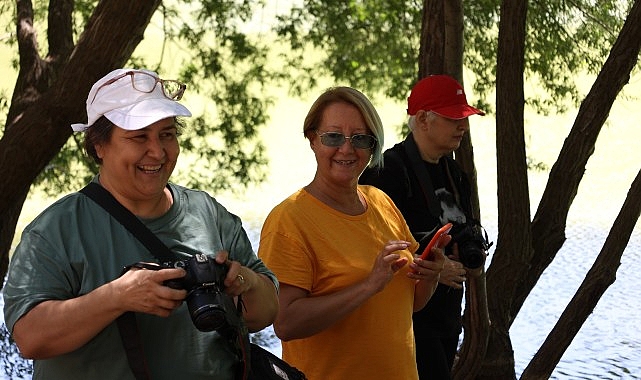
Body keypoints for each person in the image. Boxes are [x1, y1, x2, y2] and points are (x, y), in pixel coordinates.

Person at [2, 68, 279, 380]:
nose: (158, 152)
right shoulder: (56, 230)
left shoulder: (207, 213)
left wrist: (241, 281)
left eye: (167, 134)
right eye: (138, 137)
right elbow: (30, 337)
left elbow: (266, 311)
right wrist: (118, 297)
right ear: (98, 146)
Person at [257, 86, 446, 380]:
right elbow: (285, 323)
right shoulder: (289, 220)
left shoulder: (381, 202)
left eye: (360, 139)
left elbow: (411, 303)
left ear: (372, 146)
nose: (347, 149)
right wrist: (368, 286)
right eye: (333, 137)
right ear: (312, 140)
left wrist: (431, 272)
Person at [359, 74, 489, 379]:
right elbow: (365, 249)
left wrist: (470, 255)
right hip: (405, 323)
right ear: (423, 119)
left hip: (445, 320)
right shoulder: (386, 172)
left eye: (465, 118)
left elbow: (461, 232)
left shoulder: (456, 174)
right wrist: (433, 269)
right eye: (454, 118)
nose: (464, 126)